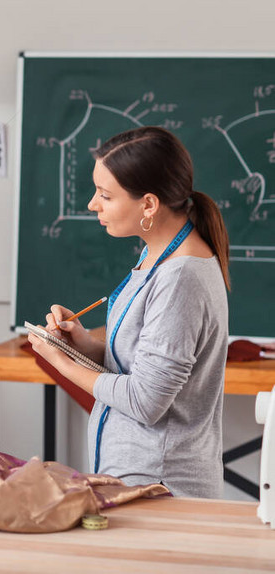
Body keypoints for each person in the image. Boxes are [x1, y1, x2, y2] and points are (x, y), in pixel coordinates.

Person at [28, 126, 230, 499]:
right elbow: (138, 365)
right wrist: (83, 343)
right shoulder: (157, 252)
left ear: (149, 205)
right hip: (138, 477)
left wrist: (62, 363)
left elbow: (144, 400)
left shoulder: (180, 277)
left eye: (105, 195)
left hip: (159, 485)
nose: (92, 204)